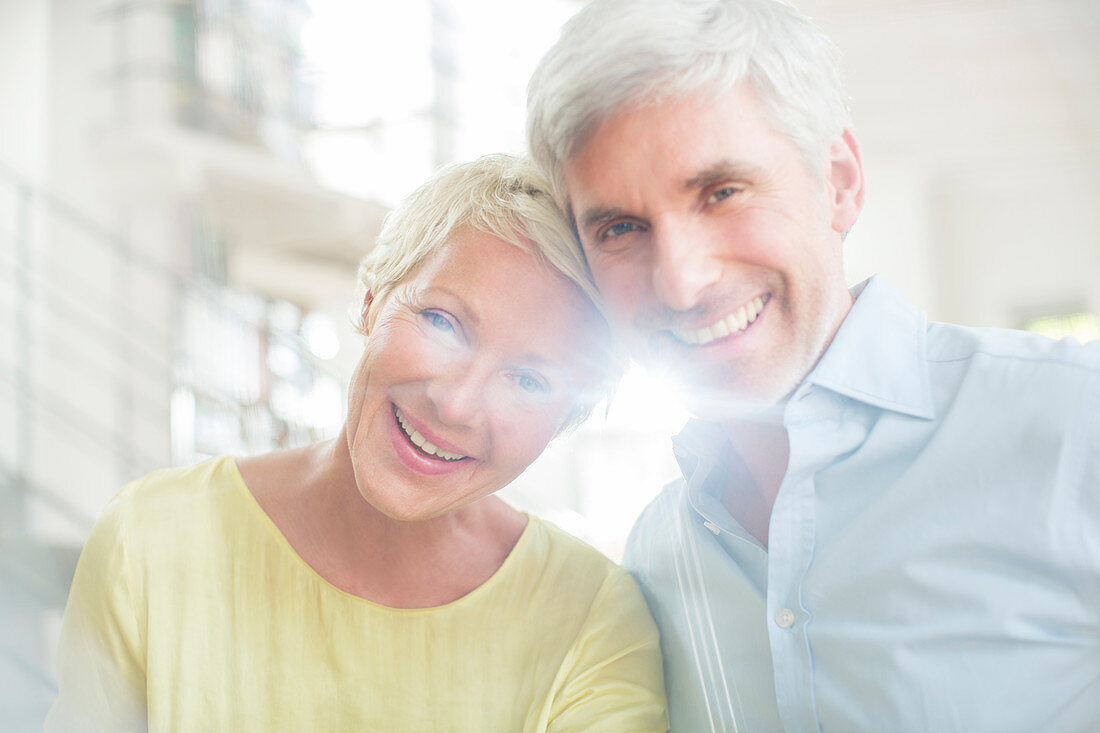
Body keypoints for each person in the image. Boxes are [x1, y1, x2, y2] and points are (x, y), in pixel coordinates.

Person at [527, 0, 1100, 730]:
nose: (681, 281)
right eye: (620, 228)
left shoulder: (1077, 422)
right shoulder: (658, 554)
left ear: (840, 181)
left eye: (722, 192)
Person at [45, 154, 667, 732]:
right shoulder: (150, 538)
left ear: (564, 421)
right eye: (442, 322)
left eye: (529, 380)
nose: (455, 404)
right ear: (372, 299)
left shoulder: (592, 620)